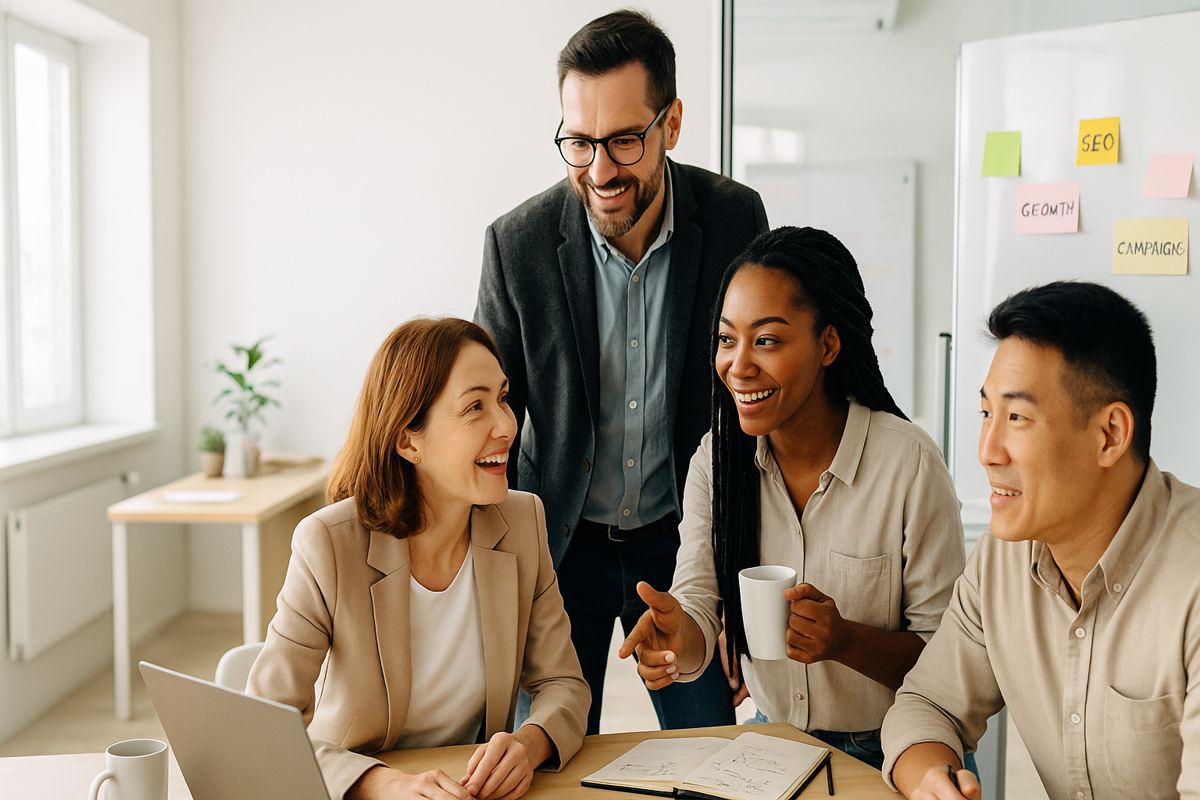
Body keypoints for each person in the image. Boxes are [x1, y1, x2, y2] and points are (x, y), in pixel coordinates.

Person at [474, 10, 767, 734]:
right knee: (543, 756)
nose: (600, 170)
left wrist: (735, 589)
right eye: (579, 142)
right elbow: (478, 418)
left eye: (625, 141)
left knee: (708, 750)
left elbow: (753, 412)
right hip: (555, 546)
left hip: (681, 546)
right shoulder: (518, 245)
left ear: (671, 124)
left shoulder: (735, 220)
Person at [619, 226, 966, 769]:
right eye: (727, 339)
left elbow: (950, 663)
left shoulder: (908, 463)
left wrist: (845, 641)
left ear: (828, 344)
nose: (739, 365)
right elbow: (697, 613)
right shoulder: (717, 462)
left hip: (898, 749)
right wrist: (673, 640)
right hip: (775, 745)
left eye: (768, 341)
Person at [882, 281, 1200, 800]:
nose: (987, 450)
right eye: (987, 413)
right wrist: (930, 781)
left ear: (1110, 435)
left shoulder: (1191, 579)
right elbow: (927, 703)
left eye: (1017, 418)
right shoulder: (1003, 559)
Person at [247, 318, 589, 800]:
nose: (507, 424)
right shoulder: (327, 544)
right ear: (408, 441)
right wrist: (380, 783)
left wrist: (529, 744)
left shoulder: (522, 522)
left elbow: (563, 684)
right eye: (475, 406)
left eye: (503, 398)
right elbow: (264, 727)